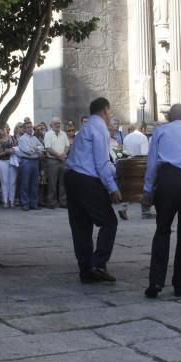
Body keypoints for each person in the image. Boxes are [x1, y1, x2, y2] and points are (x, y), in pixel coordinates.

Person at [141, 104, 181, 298]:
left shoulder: (161, 131)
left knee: (162, 230)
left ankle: (157, 281)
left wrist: (147, 190)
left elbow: (152, 163)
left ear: (169, 117)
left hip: (169, 179)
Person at [65, 97, 122, 284]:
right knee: (109, 222)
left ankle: (86, 269)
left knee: (81, 225)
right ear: (105, 110)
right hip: (87, 180)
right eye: (110, 111)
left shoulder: (86, 128)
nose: (110, 115)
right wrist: (113, 188)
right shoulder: (99, 128)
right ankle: (97, 263)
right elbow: (101, 162)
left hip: (72, 177)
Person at [43, 117, 70, 209]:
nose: (58, 125)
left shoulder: (64, 134)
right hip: (52, 160)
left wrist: (64, 154)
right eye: (56, 124)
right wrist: (59, 155)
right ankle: (52, 202)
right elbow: (48, 148)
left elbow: (67, 146)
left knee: (63, 182)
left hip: (62, 160)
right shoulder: (48, 134)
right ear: (51, 125)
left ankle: (63, 202)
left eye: (59, 123)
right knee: (52, 182)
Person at [17, 121, 44, 211]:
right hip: (26, 162)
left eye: (31, 127)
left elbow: (42, 147)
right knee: (25, 183)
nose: (30, 129)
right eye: (28, 127)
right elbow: (27, 150)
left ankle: (34, 203)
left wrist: (36, 148)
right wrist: (36, 149)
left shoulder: (34, 138)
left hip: (35, 161)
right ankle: (25, 203)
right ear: (24, 129)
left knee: (34, 183)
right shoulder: (22, 139)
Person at [0, 124, 17, 208]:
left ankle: (12, 200)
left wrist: (12, 150)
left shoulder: (12, 138)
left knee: (12, 181)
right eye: (1, 129)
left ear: (7, 129)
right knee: (4, 181)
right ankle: (5, 201)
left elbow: (17, 148)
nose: (3, 131)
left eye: (4, 128)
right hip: (2, 161)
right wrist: (5, 152)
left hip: (12, 161)